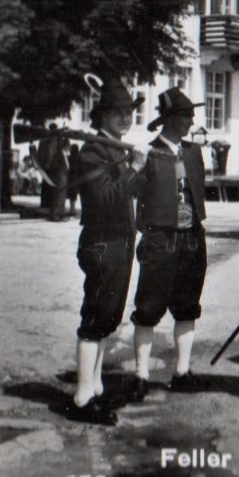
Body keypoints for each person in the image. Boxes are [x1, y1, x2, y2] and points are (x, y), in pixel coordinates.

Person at [64, 79, 147, 426]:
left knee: (108, 318)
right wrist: (135, 168)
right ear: (104, 115)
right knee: (96, 318)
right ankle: (82, 397)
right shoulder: (92, 152)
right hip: (101, 243)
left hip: (119, 242)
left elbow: (130, 192)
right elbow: (107, 197)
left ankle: (95, 387)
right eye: (118, 113)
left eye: (129, 112)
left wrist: (139, 170)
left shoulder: (115, 148)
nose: (126, 118)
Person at [129, 88, 208, 402]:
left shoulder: (193, 152)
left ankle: (182, 371)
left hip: (191, 238)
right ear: (170, 120)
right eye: (186, 115)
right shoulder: (147, 153)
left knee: (187, 307)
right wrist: (135, 166)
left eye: (191, 114)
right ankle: (140, 375)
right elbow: (131, 192)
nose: (191, 120)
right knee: (148, 308)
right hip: (160, 238)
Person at [67, 144, 81, 217]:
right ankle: (73, 209)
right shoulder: (79, 158)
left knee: (71, 194)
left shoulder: (69, 158)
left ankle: (72, 209)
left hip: (70, 177)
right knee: (74, 194)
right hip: (77, 178)